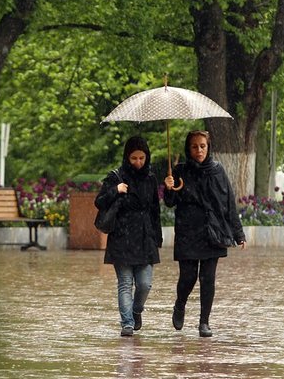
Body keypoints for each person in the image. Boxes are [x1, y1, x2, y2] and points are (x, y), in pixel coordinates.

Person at [163, 130, 246, 337]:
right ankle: (180, 304)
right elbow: (170, 202)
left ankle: (204, 322)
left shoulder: (217, 170)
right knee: (188, 277)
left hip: (212, 231)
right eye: (194, 146)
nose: (199, 150)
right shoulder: (180, 171)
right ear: (188, 148)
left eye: (202, 146)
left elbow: (228, 203)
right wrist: (169, 187)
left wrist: (238, 233)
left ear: (208, 147)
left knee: (207, 278)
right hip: (188, 231)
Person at [95, 136, 163, 337]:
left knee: (144, 284)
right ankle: (127, 323)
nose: (138, 163)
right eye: (134, 158)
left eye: (142, 158)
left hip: (145, 237)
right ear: (127, 157)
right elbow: (99, 202)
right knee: (125, 283)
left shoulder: (150, 178)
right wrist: (115, 190)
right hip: (122, 237)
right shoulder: (116, 176)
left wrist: (157, 238)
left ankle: (136, 310)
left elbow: (155, 211)